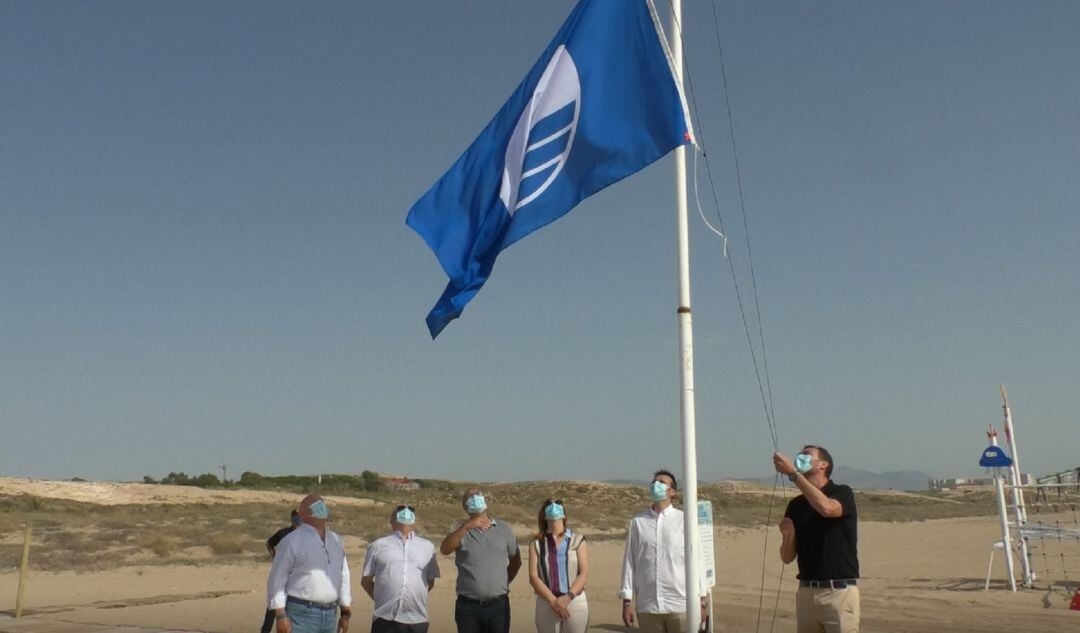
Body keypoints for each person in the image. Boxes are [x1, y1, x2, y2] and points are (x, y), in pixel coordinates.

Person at [773, 446, 860, 633]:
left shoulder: (841, 492)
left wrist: (793, 474)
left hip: (838, 592)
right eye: (799, 455)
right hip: (806, 593)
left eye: (806, 455)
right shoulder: (796, 505)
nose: (799, 457)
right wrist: (788, 537)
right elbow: (787, 557)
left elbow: (828, 509)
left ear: (823, 464)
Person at [619, 469, 707, 633]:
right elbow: (629, 563)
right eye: (654, 482)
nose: (655, 485)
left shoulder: (685, 520)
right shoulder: (638, 523)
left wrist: (702, 602)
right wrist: (627, 601)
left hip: (681, 605)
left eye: (661, 482)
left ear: (672, 491)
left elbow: (698, 562)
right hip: (648, 606)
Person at [440, 488, 522, 633]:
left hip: (498, 606)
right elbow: (445, 549)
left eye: (478, 494)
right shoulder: (459, 529)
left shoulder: (503, 529)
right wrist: (466, 527)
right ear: (466, 506)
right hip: (468, 607)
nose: (475, 497)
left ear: (485, 501)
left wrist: (504, 581)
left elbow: (516, 561)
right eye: (470, 497)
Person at [267, 494, 353, 633]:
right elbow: (277, 579)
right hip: (301, 615)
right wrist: (281, 615)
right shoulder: (291, 541)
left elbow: (343, 575)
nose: (321, 507)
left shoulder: (336, 540)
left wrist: (345, 610)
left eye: (322, 504)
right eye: (315, 505)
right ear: (302, 513)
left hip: (330, 615)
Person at [360, 505, 440, 633]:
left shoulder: (427, 547)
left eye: (410, 510)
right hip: (384, 619)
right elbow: (366, 581)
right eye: (401, 509)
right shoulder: (377, 546)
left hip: (417, 620)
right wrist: (384, 597)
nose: (406, 511)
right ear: (392, 520)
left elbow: (429, 582)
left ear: (414, 520)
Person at [527, 498, 589, 633]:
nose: (554, 506)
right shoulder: (536, 543)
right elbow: (533, 576)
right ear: (544, 515)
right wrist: (553, 602)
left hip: (575, 600)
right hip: (546, 602)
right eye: (549, 504)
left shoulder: (578, 539)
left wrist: (567, 598)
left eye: (558, 504)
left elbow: (584, 573)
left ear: (564, 514)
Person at [261, 510, 303, 633]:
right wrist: (274, 556)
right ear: (292, 518)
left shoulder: (304, 535)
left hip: (295, 576)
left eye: (299, 517)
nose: (297, 519)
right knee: (274, 604)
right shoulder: (283, 533)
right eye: (295, 517)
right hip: (281, 573)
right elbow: (269, 543)